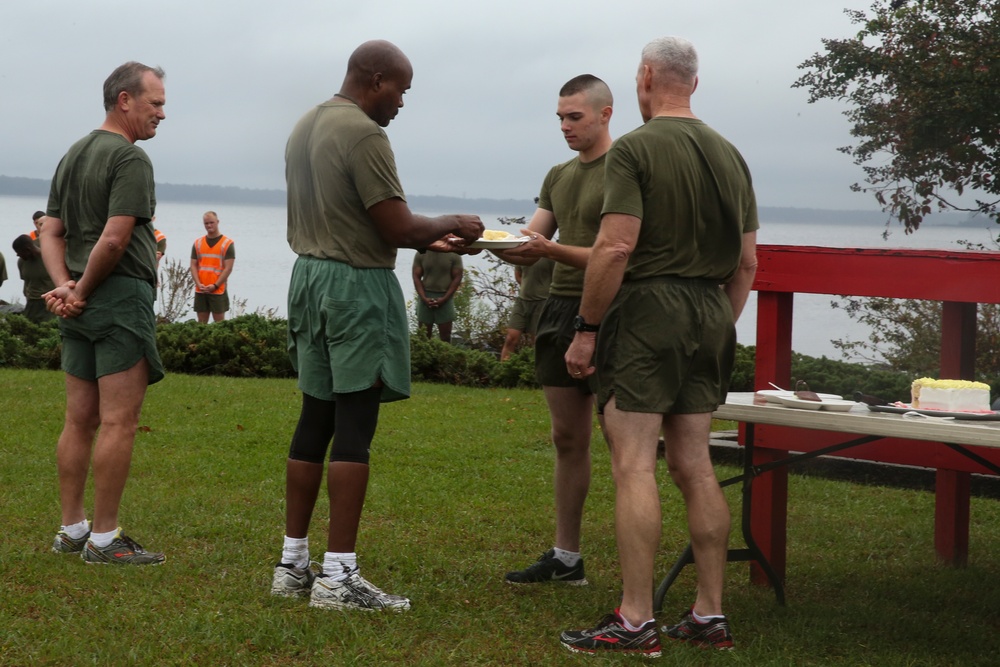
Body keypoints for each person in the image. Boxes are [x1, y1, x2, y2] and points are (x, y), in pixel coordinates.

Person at [559, 37, 758, 656]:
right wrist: (716, 323)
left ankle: (636, 618)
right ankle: (708, 613)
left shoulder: (637, 150)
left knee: (634, 462)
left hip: (649, 310)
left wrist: (587, 330)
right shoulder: (731, 155)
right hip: (710, 309)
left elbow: (615, 248)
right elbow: (747, 263)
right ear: (692, 83)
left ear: (645, 77)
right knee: (695, 464)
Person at [273, 39, 484, 611]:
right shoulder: (365, 133)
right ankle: (339, 577)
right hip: (354, 288)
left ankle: (292, 564)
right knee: (355, 422)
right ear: (374, 79)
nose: (401, 103)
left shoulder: (305, 125)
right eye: (400, 90)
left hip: (309, 278)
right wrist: (455, 223)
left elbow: (349, 215)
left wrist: (423, 234)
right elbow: (393, 223)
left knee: (314, 413)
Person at [40, 61, 168, 565]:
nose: (162, 113)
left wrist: (64, 288)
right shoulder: (129, 159)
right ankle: (104, 539)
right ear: (124, 100)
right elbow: (115, 238)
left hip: (79, 305)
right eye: (155, 103)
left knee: (78, 421)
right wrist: (83, 290)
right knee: (118, 422)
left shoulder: (73, 154)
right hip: (114, 300)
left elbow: (50, 231)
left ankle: (72, 528)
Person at [494, 74, 613, 586]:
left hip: (612, 308)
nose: (565, 126)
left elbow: (616, 255)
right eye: (560, 117)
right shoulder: (559, 175)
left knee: (624, 442)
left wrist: (549, 250)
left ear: (605, 113)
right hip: (559, 308)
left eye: (575, 117)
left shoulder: (627, 171)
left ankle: (637, 568)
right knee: (567, 437)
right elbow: (530, 242)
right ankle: (567, 558)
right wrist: (473, 242)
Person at [499, 257, 554, 361]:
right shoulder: (524, 253)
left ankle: (537, 372)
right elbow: (518, 275)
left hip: (542, 302)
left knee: (537, 342)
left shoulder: (550, 255)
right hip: (522, 301)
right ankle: (503, 370)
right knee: (511, 338)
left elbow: (556, 280)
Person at [190, 211, 234, 322]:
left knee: (219, 324)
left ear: (217, 222)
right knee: (201, 324)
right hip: (201, 289)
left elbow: (228, 268)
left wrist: (215, 285)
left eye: (211, 222)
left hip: (217, 290)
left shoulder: (227, 243)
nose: (209, 225)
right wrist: (198, 283)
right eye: (206, 223)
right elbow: (193, 265)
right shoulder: (198, 243)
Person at [412, 250, 462, 342]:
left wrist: (445, 298)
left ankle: (444, 355)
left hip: (445, 297)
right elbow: (416, 276)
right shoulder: (421, 252)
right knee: (424, 336)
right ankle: (425, 355)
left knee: (446, 336)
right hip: (425, 297)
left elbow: (458, 277)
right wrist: (424, 298)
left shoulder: (454, 254)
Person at [12, 234, 56, 322]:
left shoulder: (50, 259)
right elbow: (26, 282)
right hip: (31, 303)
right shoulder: (21, 262)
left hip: (49, 302)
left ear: (28, 250)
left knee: (48, 328)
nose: (17, 255)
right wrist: (26, 295)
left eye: (19, 252)